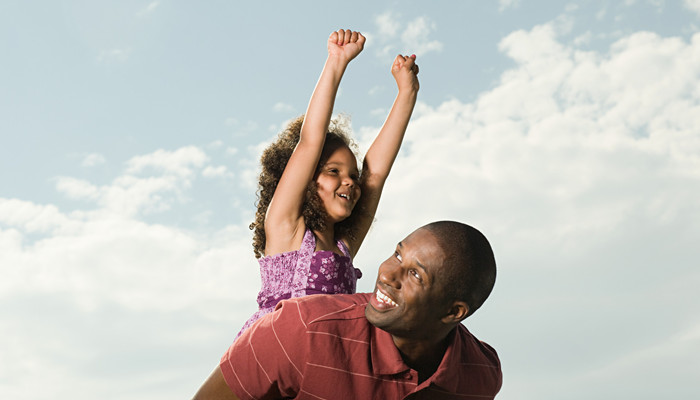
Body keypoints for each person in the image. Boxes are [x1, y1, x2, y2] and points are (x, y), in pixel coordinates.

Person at [238, 29, 420, 337]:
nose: (349, 181)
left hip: (323, 361)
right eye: (333, 171)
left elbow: (375, 174)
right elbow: (310, 142)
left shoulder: (343, 249)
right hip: (275, 352)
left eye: (351, 174)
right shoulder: (285, 228)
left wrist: (407, 93)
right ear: (306, 180)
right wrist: (337, 62)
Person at [193, 221, 502, 399]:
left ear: (454, 312)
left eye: (415, 274)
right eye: (397, 253)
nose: (387, 274)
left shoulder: (481, 375)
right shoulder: (301, 328)